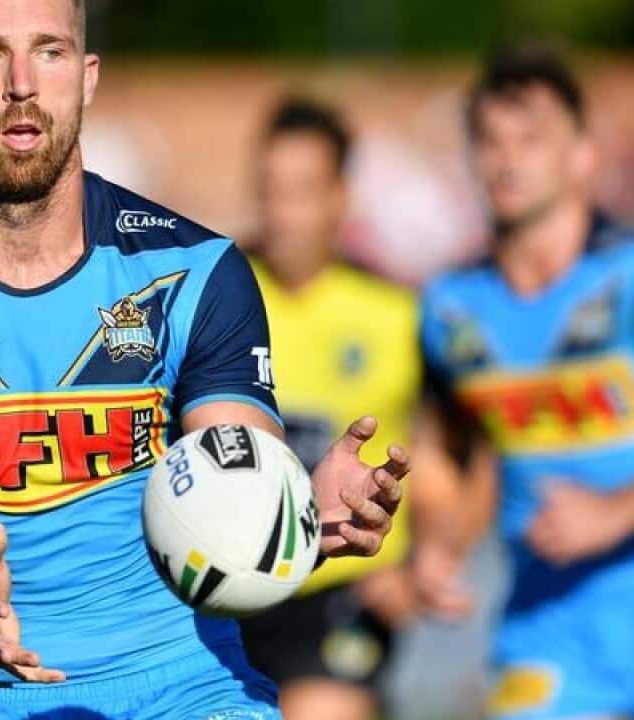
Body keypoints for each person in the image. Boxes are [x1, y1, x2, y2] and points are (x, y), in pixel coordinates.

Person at [0, 1, 409, 718]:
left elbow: (237, 477)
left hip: (194, 693)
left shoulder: (195, 271)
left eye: (48, 52)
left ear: (86, 78)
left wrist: (293, 521)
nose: (22, 83)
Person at [414, 45, 634, 720]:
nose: (508, 159)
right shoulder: (449, 306)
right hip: (545, 632)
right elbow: (445, 450)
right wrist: (436, 539)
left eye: (531, 138)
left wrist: (617, 513)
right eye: (489, 141)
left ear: (582, 155)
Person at [236, 98, 422, 720]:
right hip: (228, 583)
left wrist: (426, 561)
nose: (281, 212)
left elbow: (452, 455)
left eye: (302, 191)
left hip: (343, 585)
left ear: (341, 197)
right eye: (269, 190)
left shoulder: (397, 312)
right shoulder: (215, 302)